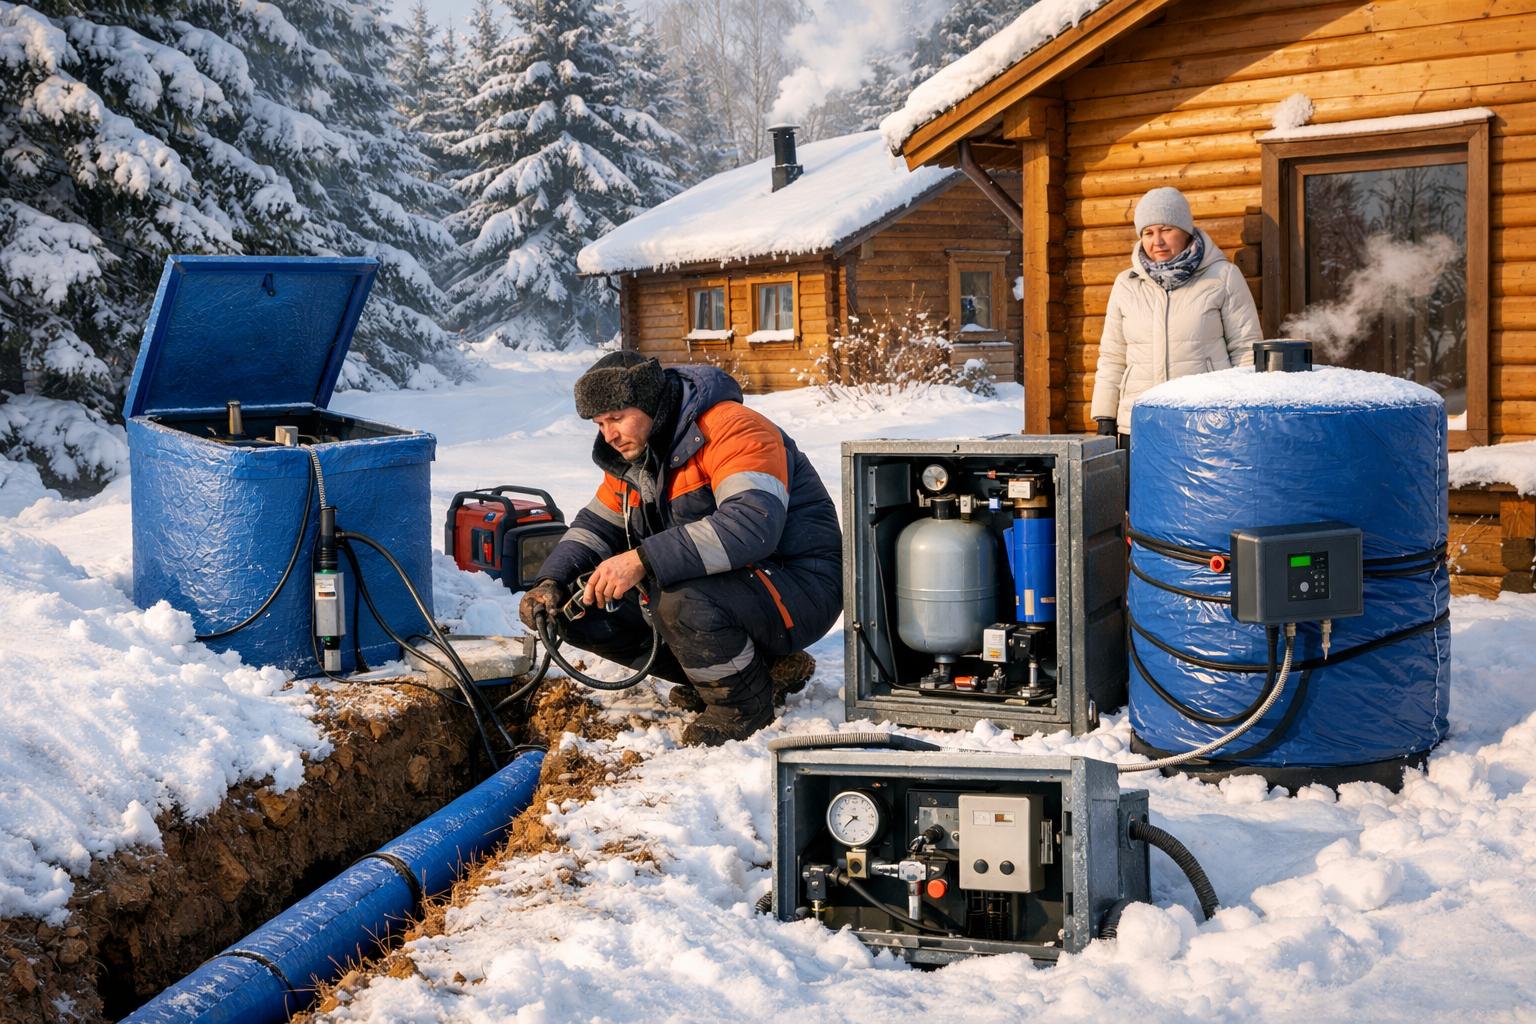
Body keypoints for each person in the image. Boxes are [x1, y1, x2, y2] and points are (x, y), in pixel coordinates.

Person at [519, 351, 843, 746]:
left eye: (617, 418)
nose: (609, 435)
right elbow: (595, 526)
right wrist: (551, 580)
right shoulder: (637, 457)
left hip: (800, 585)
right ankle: (741, 674)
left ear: (652, 401)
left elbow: (751, 526)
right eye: (600, 423)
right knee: (575, 606)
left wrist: (642, 559)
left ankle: (742, 704)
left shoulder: (734, 428)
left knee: (679, 596)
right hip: (733, 585)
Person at [1090, 186, 1262, 438]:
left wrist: (1243, 415)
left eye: (1166, 230)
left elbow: (1246, 350)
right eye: (1148, 232)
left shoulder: (1222, 277)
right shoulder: (1127, 284)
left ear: (1185, 232)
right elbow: (1112, 356)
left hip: (1206, 420)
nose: (1156, 241)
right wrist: (1105, 415)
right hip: (1139, 423)